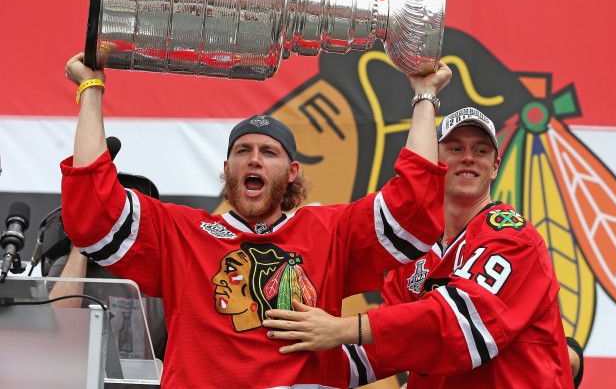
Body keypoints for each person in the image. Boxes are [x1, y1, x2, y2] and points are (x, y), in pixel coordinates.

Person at [61, 50, 452, 388]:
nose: (254, 158)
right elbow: (95, 213)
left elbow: (412, 209)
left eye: (269, 152)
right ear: (227, 167)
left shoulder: (329, 231)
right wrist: (90, 89)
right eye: (243, 150)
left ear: (292, 171)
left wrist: (424, 95)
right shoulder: (183, 232)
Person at [263, 106, 575, 388]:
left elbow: (458, 325)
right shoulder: (415, 254)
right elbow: (384, 349)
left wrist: (342, 329)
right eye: (455, 148)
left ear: (495, 167)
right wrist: (284, 367)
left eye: (480, 151)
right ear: (437, 161)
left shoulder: (513, 236)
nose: (468, 157)